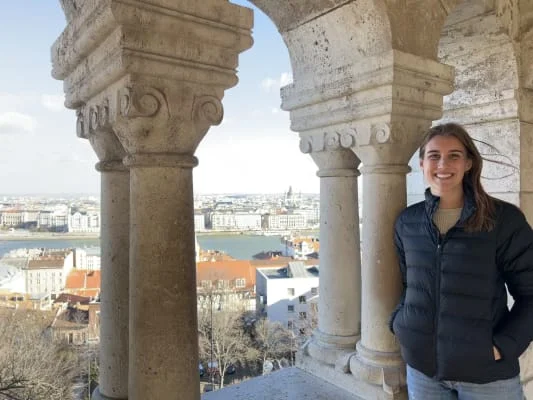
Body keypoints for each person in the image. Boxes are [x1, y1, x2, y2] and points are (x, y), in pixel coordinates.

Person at [389, 123, 533, 399]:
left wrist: (503, 346)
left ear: (468, 163)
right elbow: (408, 284)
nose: (443, 164)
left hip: (487, 377)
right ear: (422, 163)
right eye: (434, 156)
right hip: (423, 372)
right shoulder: (408, 222)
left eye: (454, 155)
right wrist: (400, 324)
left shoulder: (503, 220)